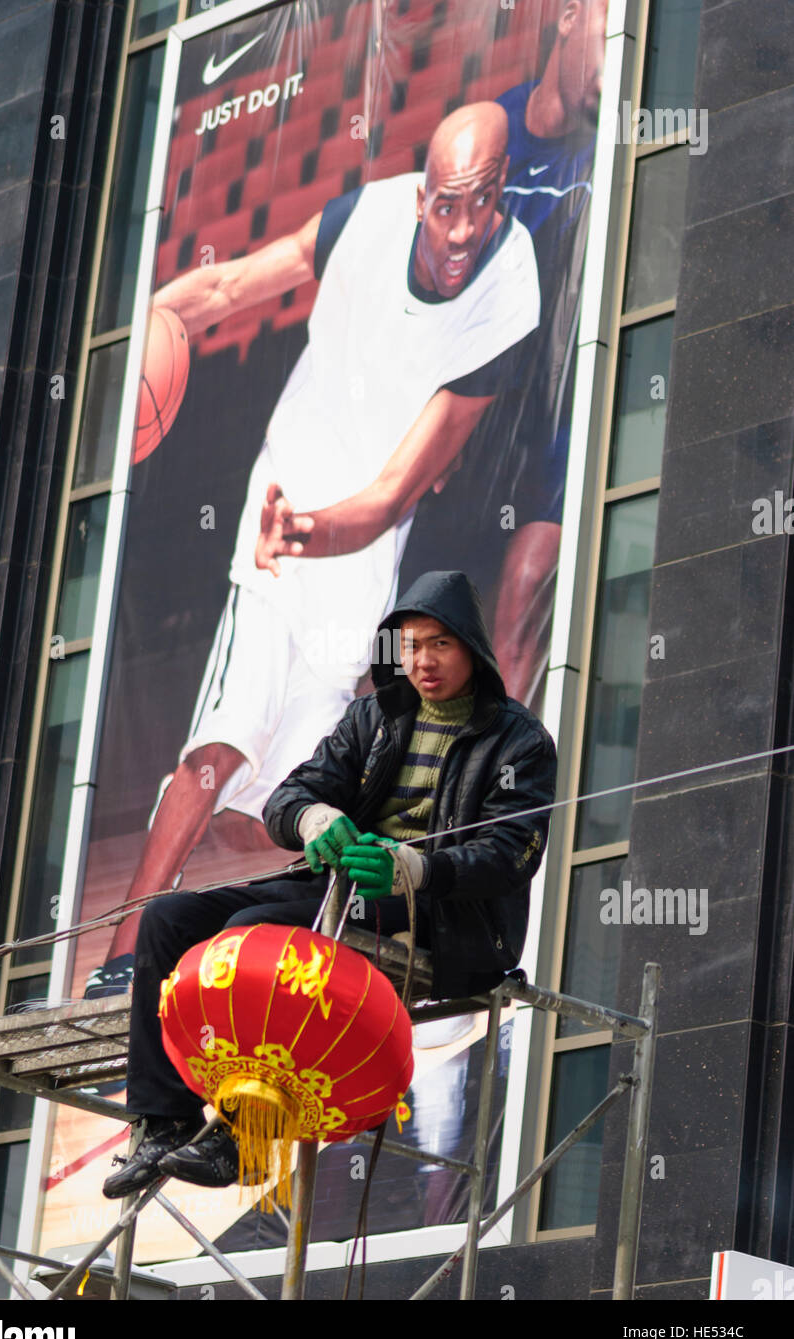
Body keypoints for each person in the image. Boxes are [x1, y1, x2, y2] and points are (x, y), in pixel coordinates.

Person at [87, 101, 541, 997]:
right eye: (446, 204)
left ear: (500, 197)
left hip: (353, 557)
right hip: (274, 536)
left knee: (283, 812)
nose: (460, 228)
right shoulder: (363, 218)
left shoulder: (509, 291)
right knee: (214, 749)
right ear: (419, 197)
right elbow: (225, 288)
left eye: (480, 203)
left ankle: (271, 958)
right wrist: (151, 322)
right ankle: (119, 961)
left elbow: (391, 496)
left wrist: (314, 530)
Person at [102, 569, 557, 1198]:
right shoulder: (374, 716)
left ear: (472, 649)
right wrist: (315, 817)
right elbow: (288, 797)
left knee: (247, 936)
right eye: (412, 644)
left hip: (453, 924)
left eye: (441, 644)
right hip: (346, 892)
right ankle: (163, 1122)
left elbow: (511, 855)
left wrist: (417, 869)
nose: (423, 660)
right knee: (167, 920)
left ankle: (244, 1137)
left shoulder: (520, 739)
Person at [399, 0, 608, 709]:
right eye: (610, 36)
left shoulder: (612, 145)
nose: (614, 73)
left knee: (523, 591)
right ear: (572, 15)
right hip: (478, 413)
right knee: (415, 632)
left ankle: (511, 806)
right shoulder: (486, 142)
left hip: (557, 420)